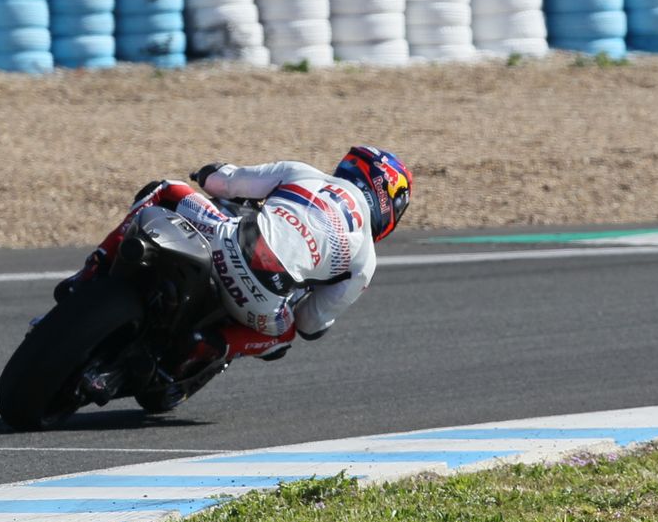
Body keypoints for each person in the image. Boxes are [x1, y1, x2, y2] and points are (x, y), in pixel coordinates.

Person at [55, 145, 412, 370]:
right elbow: (309, 324)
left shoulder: (304, 173)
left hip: (223, 239)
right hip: (262, 301)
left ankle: (90, 272)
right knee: (284, 334)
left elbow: (223, 184)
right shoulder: (365, 260)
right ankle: (208, 346)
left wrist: (209, 171)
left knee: (165, 190)